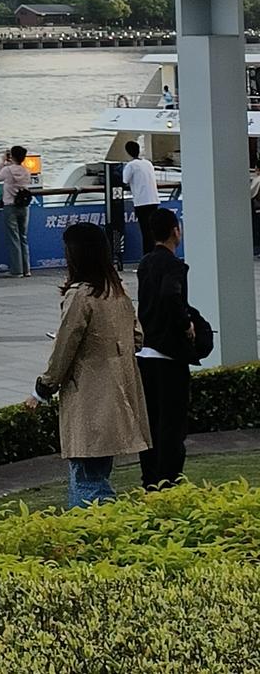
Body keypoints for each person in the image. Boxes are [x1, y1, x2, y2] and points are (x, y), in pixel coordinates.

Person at [27, 221, 150, 509]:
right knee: (96, 473)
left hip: (88, 397)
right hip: (119, 395)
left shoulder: (80, 296)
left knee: (86, 481)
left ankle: (96, 531)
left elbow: (63, 350)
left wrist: (42, 389)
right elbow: (137, 338)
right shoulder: (117, 290)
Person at [136, 207, 193, 489]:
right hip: (169, 355)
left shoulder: (145, 264)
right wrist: (186, 324)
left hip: (145, 353)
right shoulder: (174, 266)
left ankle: (149, 480)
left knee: (150, 423)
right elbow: (171, 295)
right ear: (175, 231)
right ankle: (169, 481)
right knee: (172, 425)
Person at [0, 145, 34, 277]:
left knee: (13, 238)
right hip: (24, 206)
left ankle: (17, 270)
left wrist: (2, 162)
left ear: (12, 156)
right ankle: (26, 269)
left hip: (10, 206)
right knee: (23, 237)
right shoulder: (26, 171)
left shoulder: (7, 170)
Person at [123, 140, 161, 255]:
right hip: (153, 199)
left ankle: (147, 255)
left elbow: (124, 181)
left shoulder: (131, 165)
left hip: (141, 202)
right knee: (153, 231)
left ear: (128, 152)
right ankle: (155, 254)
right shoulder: (148, 163)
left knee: (145, 231)